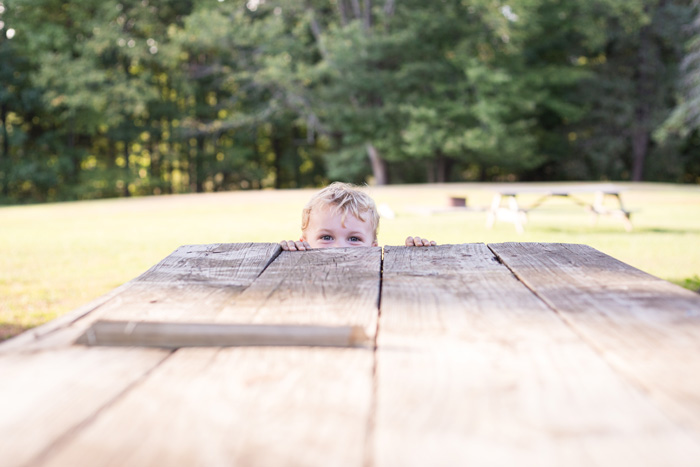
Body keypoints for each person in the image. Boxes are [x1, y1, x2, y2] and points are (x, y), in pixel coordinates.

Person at [280, 182, 437, 251]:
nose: (340, 247)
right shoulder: (301, 257)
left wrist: (417, 252)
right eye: (326, 237)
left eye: (354, 239)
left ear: (373, 247)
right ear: (304, 242)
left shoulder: (376, 270)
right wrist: (289, 252)